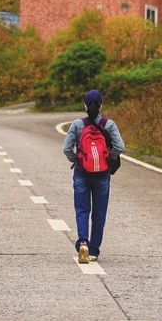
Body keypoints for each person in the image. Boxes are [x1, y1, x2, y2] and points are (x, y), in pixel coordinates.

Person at [62, 89, 124, 263]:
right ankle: (94, 250)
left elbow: (66, 148)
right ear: (101, 105)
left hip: (82, 172)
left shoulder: (77, 125)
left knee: (82, 210)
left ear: (84, 106)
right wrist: (107, 159)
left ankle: (83, 243)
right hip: (102, 174)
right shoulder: (109, 124)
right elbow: (120, 146)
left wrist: (77, 160)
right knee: (99, 212)